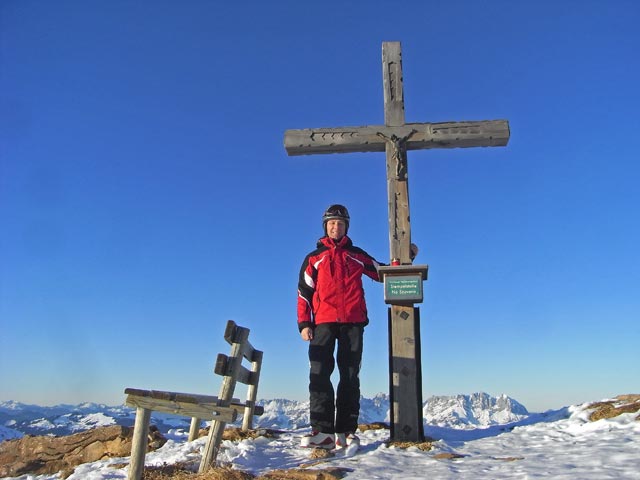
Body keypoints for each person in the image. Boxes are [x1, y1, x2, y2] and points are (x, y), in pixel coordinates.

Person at [296, 204, 382, 450]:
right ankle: (322, 432)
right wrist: (304, 323)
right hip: (322, 322)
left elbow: (381, 272)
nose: (336, 226)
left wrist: (406, 258)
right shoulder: (314, 258)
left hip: (353, 322)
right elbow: (304, 293)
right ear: (326, 226)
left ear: (346, 227)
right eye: (332, 223)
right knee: (320, 373)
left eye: (341, 223)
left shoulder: (356, 254)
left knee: (350, 375)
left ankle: (346, 431)